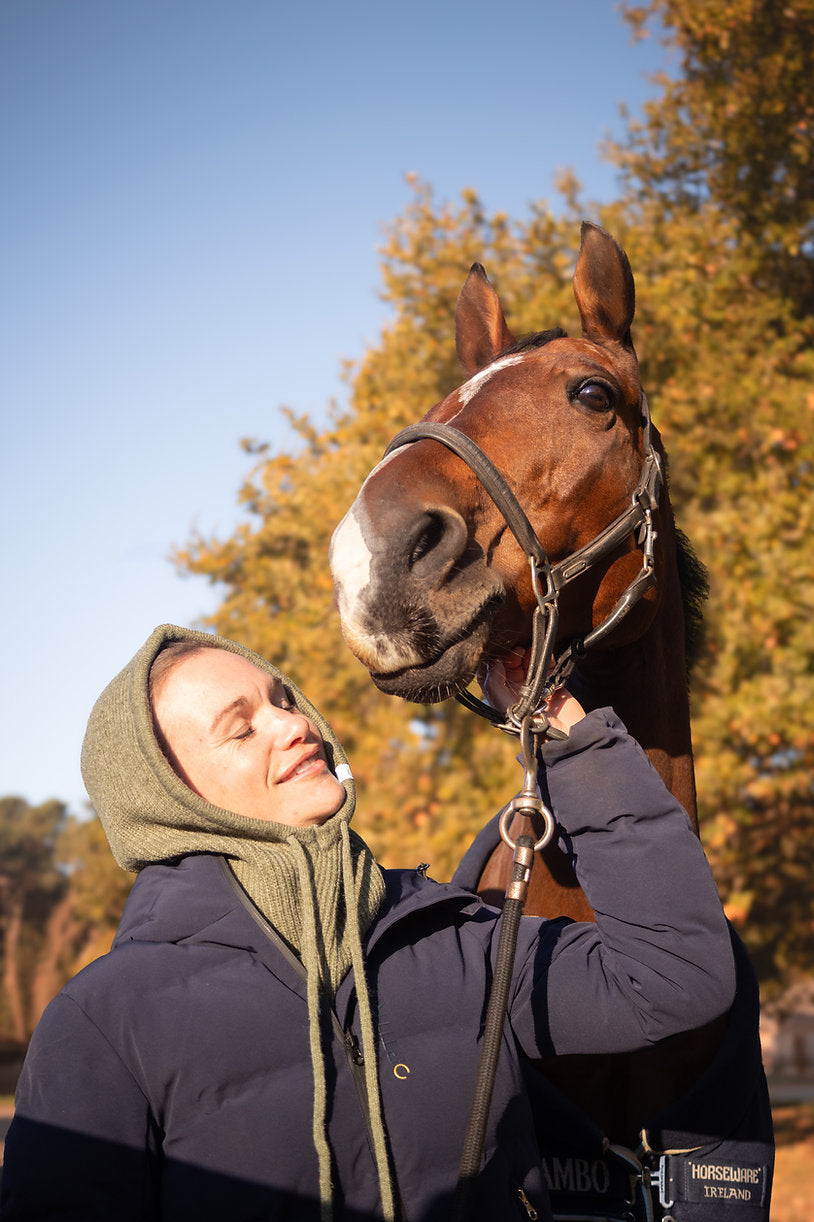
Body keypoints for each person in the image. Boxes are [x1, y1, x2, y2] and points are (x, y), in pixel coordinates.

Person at [0, 623, 736, 1222]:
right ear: (171, 801)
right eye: (241, 729)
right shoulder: (106, 1021)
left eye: (283, 699)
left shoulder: (451, 936)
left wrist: (569, 739)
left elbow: (673, 979)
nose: (294, 724)